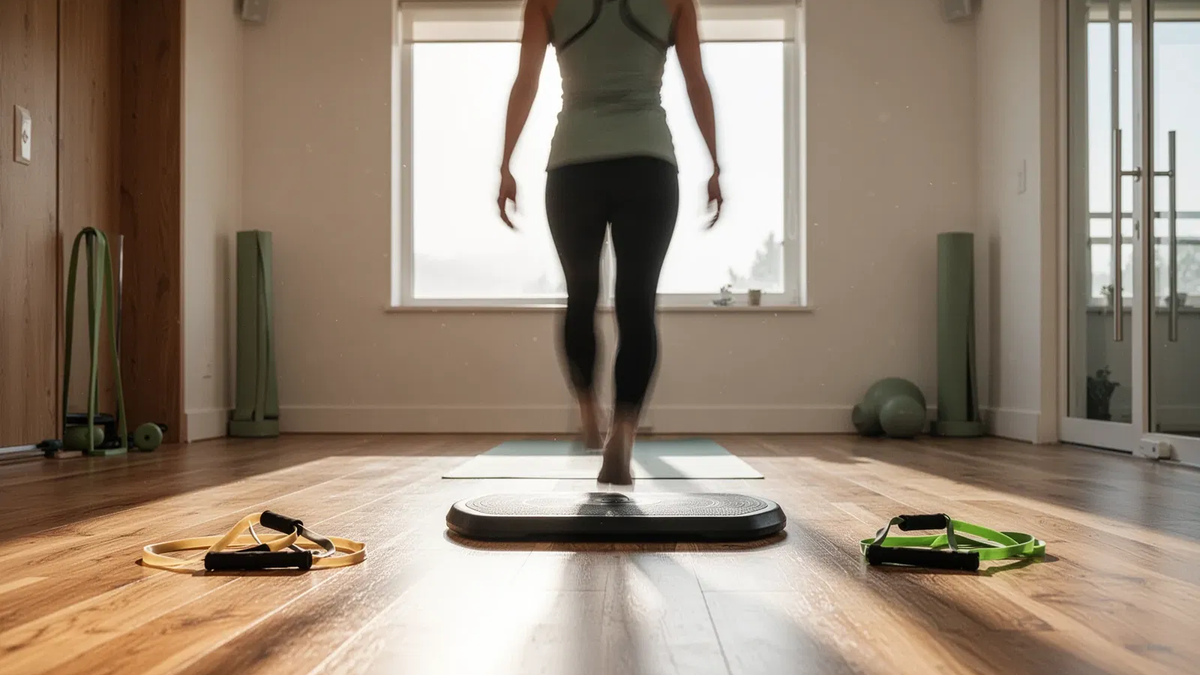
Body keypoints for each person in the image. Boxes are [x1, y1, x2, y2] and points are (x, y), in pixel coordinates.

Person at [498, 0, 722, 485]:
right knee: (636, 303)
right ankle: (622, 435)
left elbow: (526, 83)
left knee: (581, 294)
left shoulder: (547, 2)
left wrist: (505, 163)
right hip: (648, 163)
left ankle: (587, 411)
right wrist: (715, 165)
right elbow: (696, 83)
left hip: (574, 166)